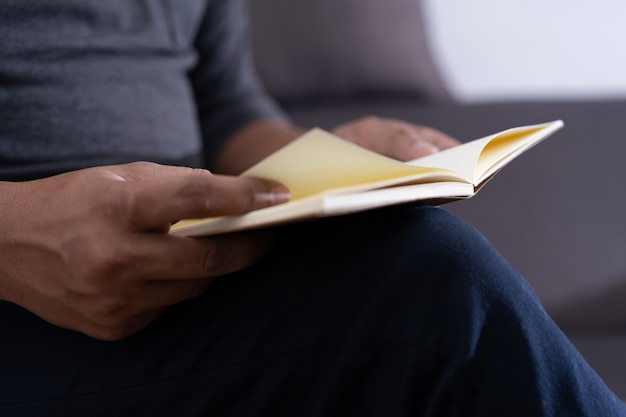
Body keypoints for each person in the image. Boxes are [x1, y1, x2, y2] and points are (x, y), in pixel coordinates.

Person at [0, 1, 624, 416]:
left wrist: (328, 160)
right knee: (429, 297)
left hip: (179, 274)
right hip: (23, 306)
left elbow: (223, 102)